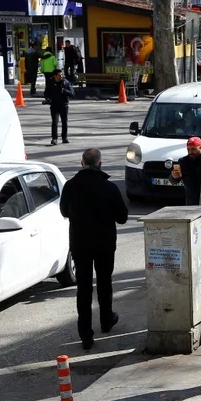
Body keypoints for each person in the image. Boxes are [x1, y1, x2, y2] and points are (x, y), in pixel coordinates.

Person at [59, 148, 129, 350]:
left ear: (82, 163)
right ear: (100, 164)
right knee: (105, 282)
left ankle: (86, 334)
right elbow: (123, 217)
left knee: (83, 287)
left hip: (80, 243)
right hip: (104, 243)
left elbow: (64, 211)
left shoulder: (71, 186)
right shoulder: (109, 188)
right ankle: (106, 320)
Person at [170, 136, 201, 205]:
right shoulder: (183, 161)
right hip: (192, 201)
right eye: (188, 149)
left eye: (193, 149)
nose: (191, 152)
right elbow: (173, 181)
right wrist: (174, 177)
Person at [45, 68, 74, 146]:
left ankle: (64, 138)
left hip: (64, 105)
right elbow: (46, 93)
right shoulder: (50, 83)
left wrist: (65, 91)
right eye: (59, 75)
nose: (61, 76)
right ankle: (54, 138)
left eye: (62, 74)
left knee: (64, 122)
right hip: (54, 105)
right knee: (55, 122)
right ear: (55, 76)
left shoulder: (66, 83)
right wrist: (48, 99)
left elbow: (72, 93)